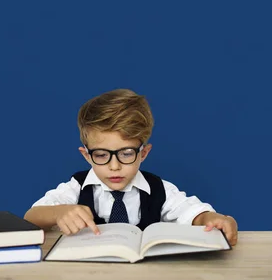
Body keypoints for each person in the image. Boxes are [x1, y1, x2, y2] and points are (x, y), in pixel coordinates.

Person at [24, 89, 238, 245]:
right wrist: (59, 213)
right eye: (101, 155)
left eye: (126, 154)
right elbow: (30, 217)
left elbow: (193, 213)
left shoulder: (159, 190)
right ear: (87, 155)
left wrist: (212, 219)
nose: (114, 166)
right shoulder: (76, 188)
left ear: (143, 153)